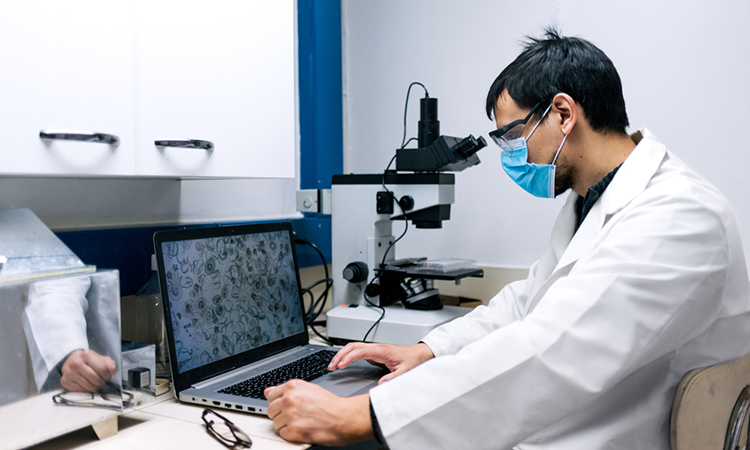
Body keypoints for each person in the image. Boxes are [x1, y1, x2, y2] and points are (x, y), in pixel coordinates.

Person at [264, 28, 750, 449]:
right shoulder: (593, 201)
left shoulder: (678, 215)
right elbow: (526, 304)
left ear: (563, 113)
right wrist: (427, 351)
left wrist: (360, 415)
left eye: (512, 136)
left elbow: (551, 350)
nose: (509, 155)